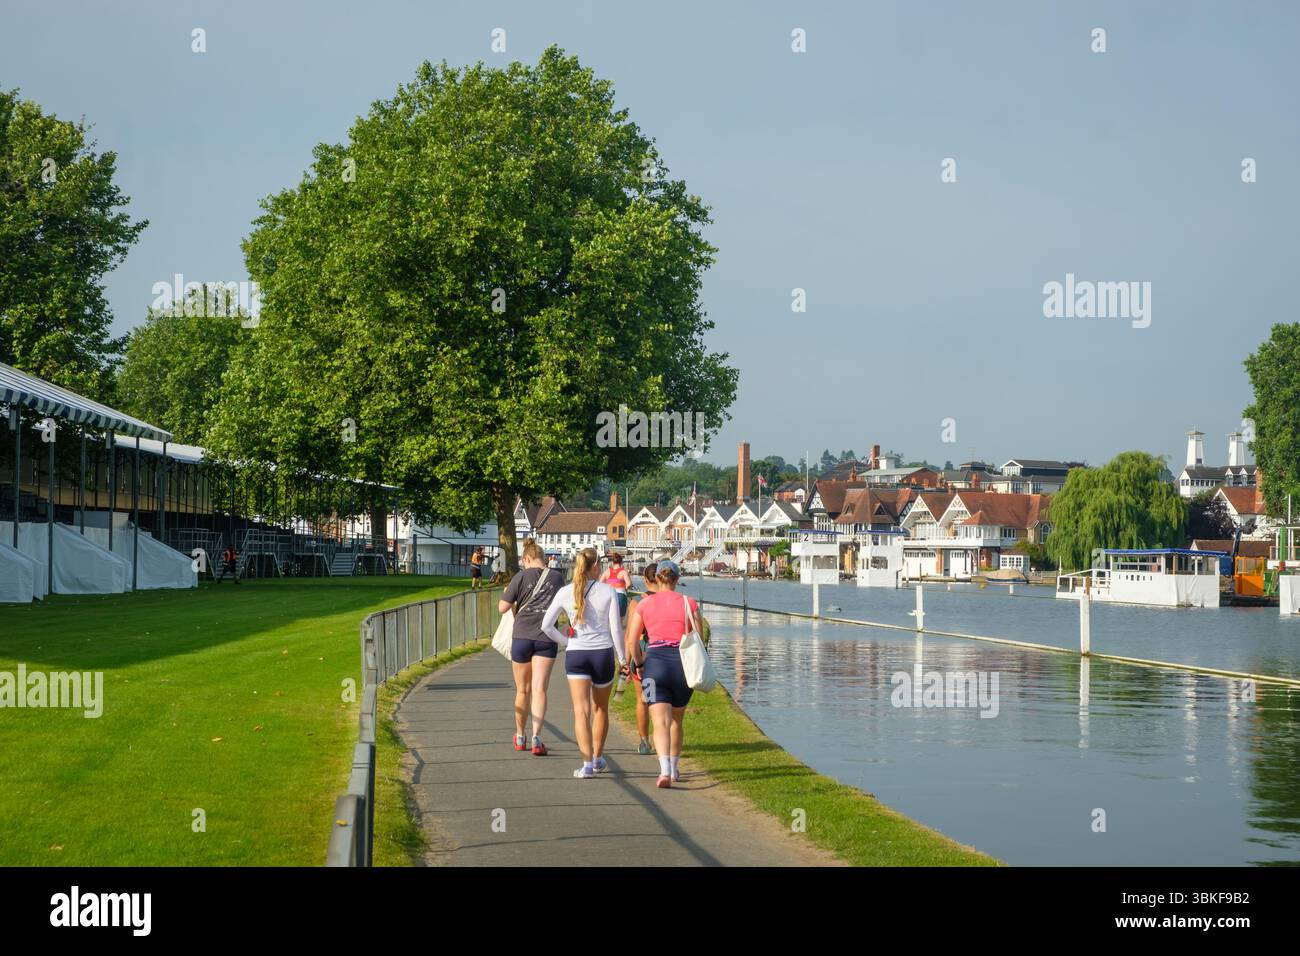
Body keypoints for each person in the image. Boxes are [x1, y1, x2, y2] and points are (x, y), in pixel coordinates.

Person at [624, 559, 708, 788]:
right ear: (678, 580)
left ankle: (664, 772)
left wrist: (639, 664)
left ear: (657, 579)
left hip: (654, 666)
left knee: (659, 721)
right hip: (682, 666)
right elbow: (699, 639)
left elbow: (632, 640)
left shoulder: (644, 604)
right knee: (676, 721)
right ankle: (674, 767)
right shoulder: (688, 603)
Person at [542, 547, 625, 779]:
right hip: (602, 654)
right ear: (596, 565)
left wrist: (566, 642)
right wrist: (623, 658)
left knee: (581, 712)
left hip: (577, 654)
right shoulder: (608, 591)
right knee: (601, 709)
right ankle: (598, 758)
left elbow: (546, 626)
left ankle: (587, 764)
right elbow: (616, 629)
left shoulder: (565, 592)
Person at [498, 539, 565, 755]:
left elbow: (502, 608)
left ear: (527, 558)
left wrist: (509, 593)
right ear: (543, 558)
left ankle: (520, 736)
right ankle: (537, 738)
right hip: (547, 637)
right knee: (539, 689)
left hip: (522, 636)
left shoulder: (520, 576)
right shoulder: (557, 578)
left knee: (522, 690)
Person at [622, 561, 659, 754]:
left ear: (645, 580)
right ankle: (662, 736)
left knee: (642, 699)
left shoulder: (637, 602)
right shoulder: (669, 600)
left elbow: (630, 636)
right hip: (665, 653)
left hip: (643, 652)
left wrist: (626, 663)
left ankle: (644, 741)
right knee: (660, 700)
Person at [603, 552, 632, 620]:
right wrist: (626, 589)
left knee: (608, 621)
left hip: (608, 596)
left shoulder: (606, 572)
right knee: (619, 622)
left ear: (612, 562)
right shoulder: (624, 572)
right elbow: (629, 584)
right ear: (621, 562)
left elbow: (600, 583)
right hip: (620, 596)